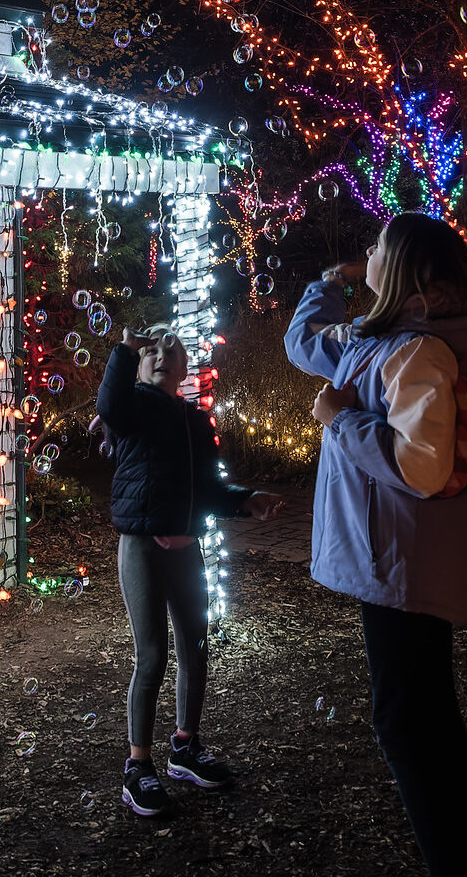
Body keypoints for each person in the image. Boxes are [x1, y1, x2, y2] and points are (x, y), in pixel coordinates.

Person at [284, 211, 467, 875]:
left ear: (404, 273)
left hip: (400, 565)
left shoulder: (416, 352)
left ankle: (453, 864)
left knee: (410, 725)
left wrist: (341, 419)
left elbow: (421, 468)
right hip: (394, 563)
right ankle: (459, 857)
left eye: (377, 246)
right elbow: (301, 344)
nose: (365, 250)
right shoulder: (378, 340)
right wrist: (326, 280)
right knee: (423, 718)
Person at [95, 323, 286, 817]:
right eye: (151, 351)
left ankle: (185, 746)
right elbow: (110, 407)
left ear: (185, 369)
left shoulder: (197, 422)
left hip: (186, 548)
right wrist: (123, 349)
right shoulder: (132, 408)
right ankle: (138, 767)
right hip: (141, 545)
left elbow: (209, 490)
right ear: (139, 364)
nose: (161, 355)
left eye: (171, 350)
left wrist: (247, 501)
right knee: (153, 655)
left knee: (196, 647)